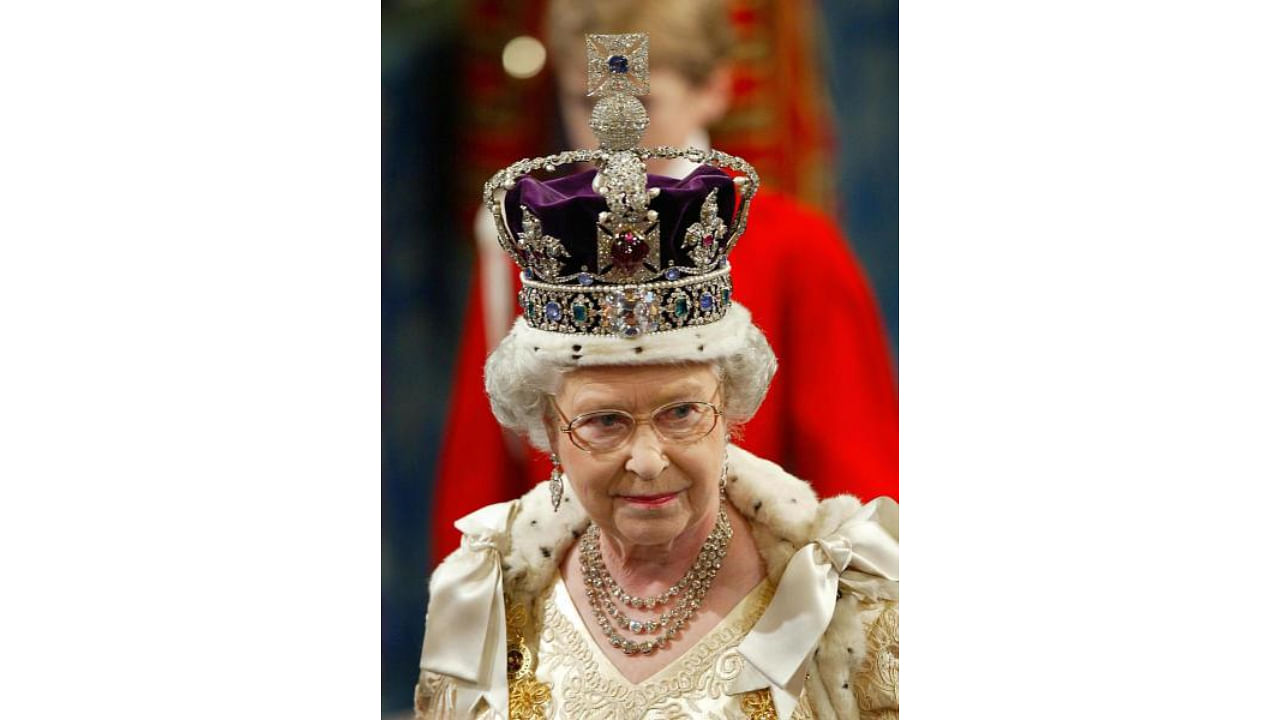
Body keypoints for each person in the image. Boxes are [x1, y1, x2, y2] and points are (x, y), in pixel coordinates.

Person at [415, 33, 898, 719]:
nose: (647, 461)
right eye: (603, 421)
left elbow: (858, 451)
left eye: (680, 412)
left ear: (730, 407)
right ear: (549, 426)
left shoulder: (835, 604)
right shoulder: (484, 603)